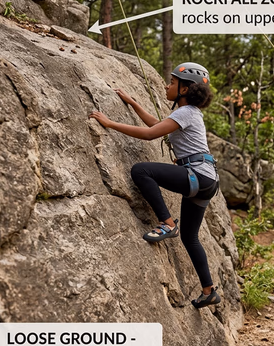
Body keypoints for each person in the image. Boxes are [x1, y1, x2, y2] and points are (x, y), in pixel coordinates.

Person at [89, 62, 222, 309]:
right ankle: (209, 291)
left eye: (172, 82)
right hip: (206, 180)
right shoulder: (189, 113)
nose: (167, 85)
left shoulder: (185, 113)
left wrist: (110, 124)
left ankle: (167, 224)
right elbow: (156, 126)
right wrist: (133, 103)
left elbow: (151, 134)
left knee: (142, 170)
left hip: (197, 176)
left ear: (185, 89)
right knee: (191, 238)